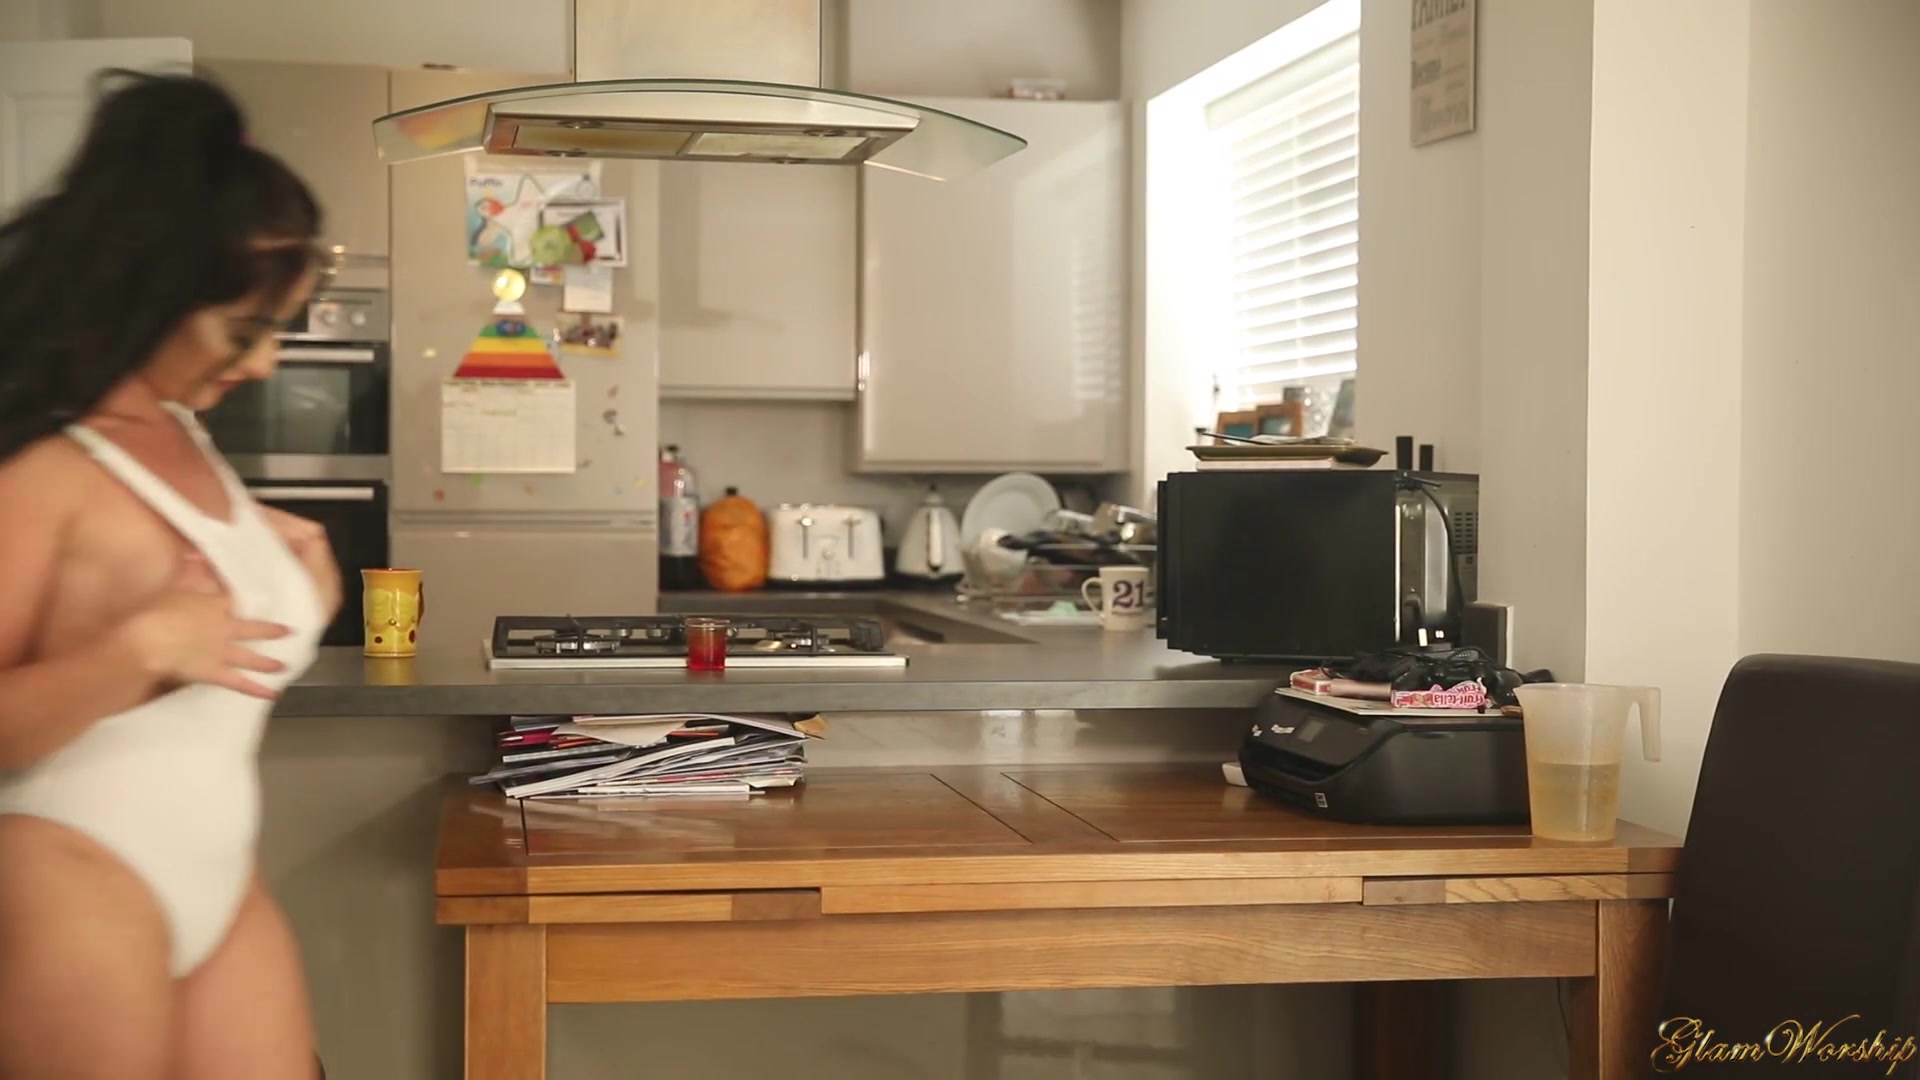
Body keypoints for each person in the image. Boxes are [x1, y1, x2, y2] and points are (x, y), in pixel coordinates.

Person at [0, 68, 339, 1078]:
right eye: (245, 331)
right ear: (157, 291)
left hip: (217, 877)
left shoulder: (183, 436)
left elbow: (210, 645)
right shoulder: (46, 464)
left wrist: (300, 580)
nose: (265, 364)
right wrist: (138, 650)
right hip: (71, 875)